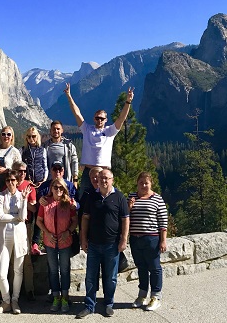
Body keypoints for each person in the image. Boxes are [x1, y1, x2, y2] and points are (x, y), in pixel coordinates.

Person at [64, 83, 134, 200]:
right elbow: (77, 113)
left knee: (105, 199)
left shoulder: (110, 131)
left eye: (102, 118)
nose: (99, 120)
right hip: (87, 172)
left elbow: (121, 118)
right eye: (97, 118)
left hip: (104, 172)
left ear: (106, 120)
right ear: (94, 118)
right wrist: (69, 96)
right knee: (83, 200)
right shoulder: (87, 129)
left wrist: (128, 102)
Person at [77, 169, 129, 319]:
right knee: (90, 276)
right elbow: (85, 218)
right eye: (101, 178)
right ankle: (89, 305)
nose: (103, 181)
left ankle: (108, 304)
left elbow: (125, 219)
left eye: (106, 178)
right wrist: (83, 238)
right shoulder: (91, 196)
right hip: (93, 244)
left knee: (110, 277)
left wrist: (124, 239)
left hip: (112, 244)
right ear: (97, 180)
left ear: (112, 180)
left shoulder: (119, 197)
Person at [128, 172, 168, 311]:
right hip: (135, 238)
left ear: (151, 183)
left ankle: (156, 297)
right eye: (141, 183)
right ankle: (142, 295)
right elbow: (125, 216)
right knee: (141, 267)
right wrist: (129, 207)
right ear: (137, 183)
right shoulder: (131, 197)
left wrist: (163, 240)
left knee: (154, 267)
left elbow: (163, 221)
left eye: (146, 183)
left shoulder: (157, 199)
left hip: (152, 238)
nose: (144, 185)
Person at [36, 178, 77, 313]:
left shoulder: (68, 203)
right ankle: (55, 297)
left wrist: (68, 231)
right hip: (50, 242)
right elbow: (39, 221)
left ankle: (65, 297)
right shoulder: (45, 202)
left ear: (64, 189)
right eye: (55, 187)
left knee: (65, 270)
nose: (58, 190)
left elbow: (74, 220)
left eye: (60, 187)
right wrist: (46, 233)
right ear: (51, 188)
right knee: (53, 271)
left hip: (65, 241)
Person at [0, 170, 32, 315]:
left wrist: (24, 200)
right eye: (8, 180)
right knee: (2, 273)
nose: (10, 182)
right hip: (4, 237)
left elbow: (23, 217)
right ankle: (6, 301)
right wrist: (15, 217)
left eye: (13, 180)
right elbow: (0, 216)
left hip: (19, 236)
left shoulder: (21, 195)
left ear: (17, 181)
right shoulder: (1, 196)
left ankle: (15, 300)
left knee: (18, 270)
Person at [12, 160, 37, 300]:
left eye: (24, 171)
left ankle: (29, 289)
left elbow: (34, 208)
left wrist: (24, 199)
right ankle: (11, 290)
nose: (22, 173)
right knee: (10, 258)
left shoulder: (29, 186)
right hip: (10, 225)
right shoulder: (9, 183)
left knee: (26, 257)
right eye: (19, 171)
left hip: (25, 226)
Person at [0, 126, 22, 191]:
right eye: (3, 134)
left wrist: (6, 170)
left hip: (7, 184)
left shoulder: (15, 152)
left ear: (12, 137)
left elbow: (18, 170)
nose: (6, 136)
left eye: (9, 134)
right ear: (0, 136)